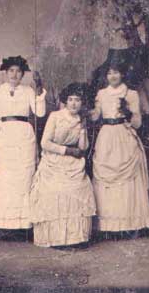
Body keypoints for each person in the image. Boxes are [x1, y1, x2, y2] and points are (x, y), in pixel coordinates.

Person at [0, 56, 46, 231]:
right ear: (5, 73)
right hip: (5, 138)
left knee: (23, 177)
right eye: (11, 71)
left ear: (23, 74)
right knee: (5, 178)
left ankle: (23, 223)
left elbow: (39, 113)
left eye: (18, 71)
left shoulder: (28, 91)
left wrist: (39, 92)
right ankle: (2, 224)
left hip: (24, 137)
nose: (14, 74)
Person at [30, 82, 96, 248]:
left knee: (78, 189)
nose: (74, 103)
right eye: (71, 99)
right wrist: (66, 150)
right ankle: (56, 238)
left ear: (82, 103)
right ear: (65, 101)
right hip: (54, 161)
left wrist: (83, 128)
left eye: (78, 100)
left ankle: (75, 238)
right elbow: (45, 143)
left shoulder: (81, 119)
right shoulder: (56, 116)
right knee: (55, 191)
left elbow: (83, 148)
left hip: (73, 163)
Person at [90, 64, 149, 234]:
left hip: (124, 135)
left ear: (122, 74)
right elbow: (96, 116)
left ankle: (129, 225)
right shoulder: (102, 94)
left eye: (116, 72)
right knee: (106, 176)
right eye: (109, 73)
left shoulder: (131, 94)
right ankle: (108, 226)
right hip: (106, 137)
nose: (113, 76)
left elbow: (137, 123)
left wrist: (129, 114)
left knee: (127, 178)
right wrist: (89, 109)